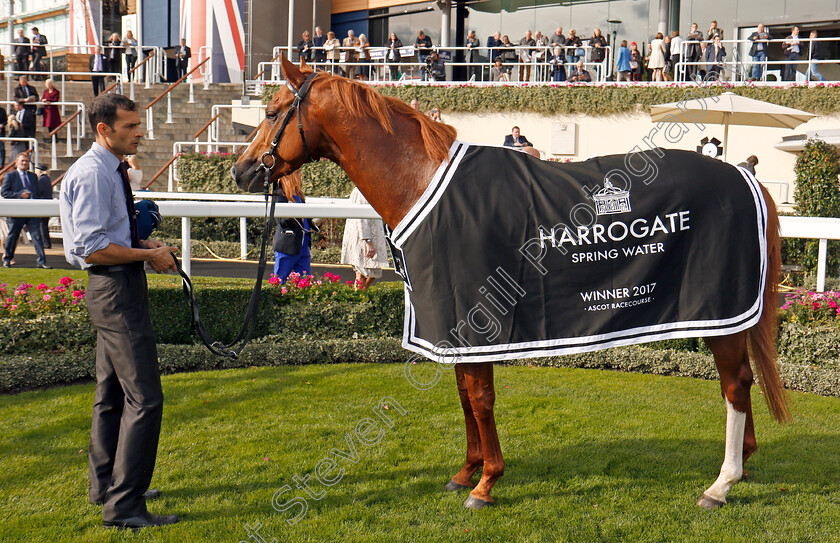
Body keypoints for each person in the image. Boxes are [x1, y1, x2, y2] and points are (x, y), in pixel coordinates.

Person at [58, 93, 179, 530]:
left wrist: (142, 244)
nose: (140, 132)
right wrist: (148, 257)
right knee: (145, 398)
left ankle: (106, 485)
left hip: (115, 287)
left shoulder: (107, 170)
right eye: (130, 126)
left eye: (139, 123)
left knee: (110, 395)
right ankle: (125, 505)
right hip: (115, 291)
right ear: (103, 129)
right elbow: (90, 248)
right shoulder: (94, 175)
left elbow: (104, 235)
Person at [2, 152, 49, 268]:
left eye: (26, 161)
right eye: (22, 161)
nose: (24, 163)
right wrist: (19, 195)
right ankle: (7, 259)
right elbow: (4, 192)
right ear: (16, 162)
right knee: (13, 236)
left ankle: (41, 262)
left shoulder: (33, 176)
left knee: (37, 236)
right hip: (17, 211)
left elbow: (37, 192)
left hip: (32, 211)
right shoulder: (10, 176)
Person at [341, 187, 389, 290]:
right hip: (361, 239)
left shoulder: (372, 190)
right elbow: (362, 218)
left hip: (369, 237)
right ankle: (358, 299)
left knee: (373, 272)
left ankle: (360, 297)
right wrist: (368, 241)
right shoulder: (362, 191)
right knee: (361, 274)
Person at [272, 170, 317, 280]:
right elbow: (281, 220)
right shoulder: (280, 195)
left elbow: (304, 219)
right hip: (288, 246)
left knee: (305, 281)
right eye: (297, 173)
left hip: (303, 244)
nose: (300, 175)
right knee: (279, 281)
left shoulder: (300, 196)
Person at [33, 163, 52, 248]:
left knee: (42, 225)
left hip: (42, 205)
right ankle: (46, 242)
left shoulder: (41, 179)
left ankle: (45, 243)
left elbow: (39, 191)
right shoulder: (47, 179)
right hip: (47, 205)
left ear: (39, 170)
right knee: (44, 224)